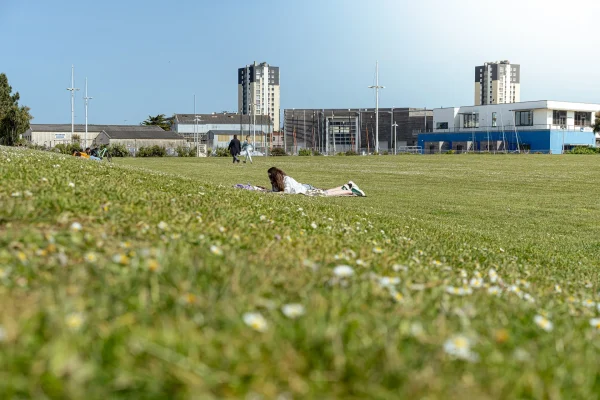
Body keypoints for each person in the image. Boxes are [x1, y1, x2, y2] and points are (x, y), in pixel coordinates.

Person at [267, 167, 366, 197]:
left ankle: (350, 191)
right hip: (304, 190)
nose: (270, 179)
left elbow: (287, 192)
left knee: (326, 193)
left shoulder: (286, 179)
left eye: (271, 177)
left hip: (305, 189)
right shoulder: (277, 183)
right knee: (327, 192)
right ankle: (346, 186)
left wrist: (275, 194)